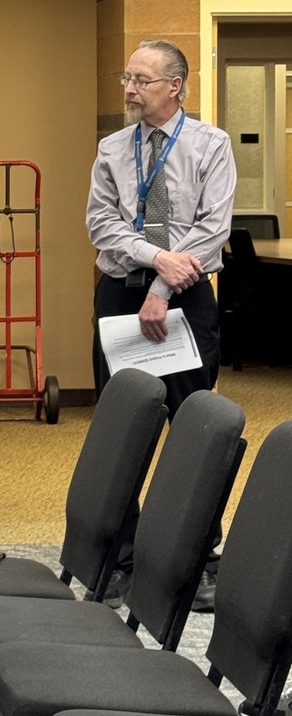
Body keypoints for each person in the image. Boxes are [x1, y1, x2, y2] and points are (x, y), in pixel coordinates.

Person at [86, 39, 236, 612]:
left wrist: (163, 288)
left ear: (175, 86)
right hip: (119, 296)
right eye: (126, 78)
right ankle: (120, 560)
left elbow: (212, 229)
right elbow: (101, 223)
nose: (129, 88)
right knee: (120, 428)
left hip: (186, 301)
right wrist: (155, 261)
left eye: (141, 80)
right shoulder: (112, 148)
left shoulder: (210, 145)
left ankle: (196, 562)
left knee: (195, 429)